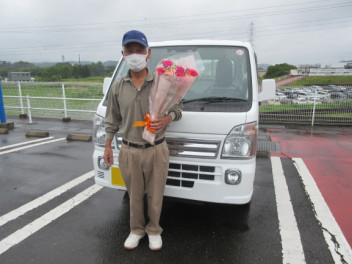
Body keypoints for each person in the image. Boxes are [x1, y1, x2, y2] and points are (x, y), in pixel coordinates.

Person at [103, 30, 182, 251]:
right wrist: (108, 146)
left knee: (156, 194)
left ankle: (154, 229)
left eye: (140, 50)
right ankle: (136, 229)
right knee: (134, 194)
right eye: (130, 50)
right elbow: (112, 119)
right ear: (123, 53)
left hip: (156, 149)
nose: (135, 54)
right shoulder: (118, 85)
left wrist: (167, 118)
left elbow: (178, 108)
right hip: (129, 149)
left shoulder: (162, 81)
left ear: (148, 54)